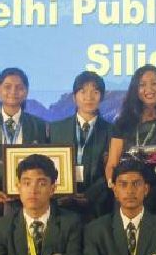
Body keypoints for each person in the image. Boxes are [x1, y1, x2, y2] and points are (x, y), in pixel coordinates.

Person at [104, 65, 156, 219]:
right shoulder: (123, 122)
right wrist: (113, 185)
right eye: (142, 84)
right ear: (135, 90)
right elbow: (112, 163)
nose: (149, 89)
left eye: (154, 83)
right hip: (128, 196)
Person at [0, 67, 48, 231]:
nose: (13, 91)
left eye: (19, 87)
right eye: (7, 86)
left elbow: (44, 164)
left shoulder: (38, 125)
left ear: (26, 92)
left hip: (27, 202)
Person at [48, 71, 112, 219]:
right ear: (74, 97)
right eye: (83, 92)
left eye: (95, 92)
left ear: (102, 97)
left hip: (98, 205)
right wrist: (62, 193)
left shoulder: (112, 131)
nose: (89, 97)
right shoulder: (56, 129)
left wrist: (90, 195)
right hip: (61, 204)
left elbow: (112, 168)